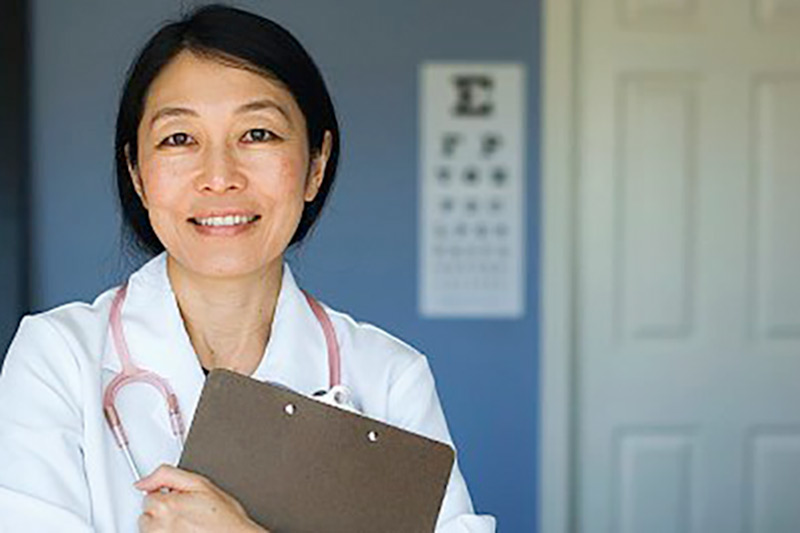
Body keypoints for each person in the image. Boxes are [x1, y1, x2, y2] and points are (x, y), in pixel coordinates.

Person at [0, 4, 496, 533]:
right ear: (138, 174)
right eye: (179, 139)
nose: (219, 176)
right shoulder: (57, 359)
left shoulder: (389, 379)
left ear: (315, 165)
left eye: (258, 134)